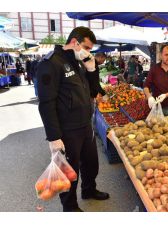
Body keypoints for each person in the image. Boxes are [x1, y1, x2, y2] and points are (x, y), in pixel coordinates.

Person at [36, 26, 109, 212]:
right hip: (67, 130)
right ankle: (69, 206)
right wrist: (53, 136)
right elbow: (46, 103)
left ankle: (89, 190)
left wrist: (92, 69)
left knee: (91, 162)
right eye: (87, 47)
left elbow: (93, 91)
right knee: (69, 170)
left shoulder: (79, 61)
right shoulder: (52, 63)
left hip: (85, 124)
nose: (89, 52)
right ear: (75, 43)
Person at [143, 45, 168, 116]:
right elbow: (146, 86)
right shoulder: (154, 69)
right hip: (157, 107)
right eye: (166, 55)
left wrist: (166, 95)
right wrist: (149, 96)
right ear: (161, 55)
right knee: (157, 126)